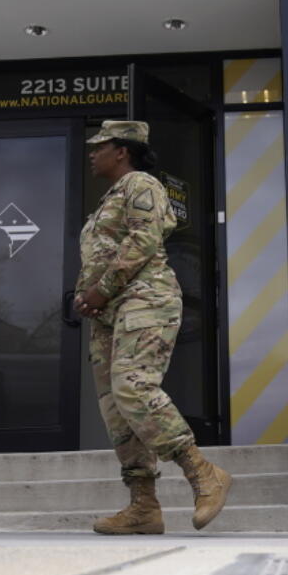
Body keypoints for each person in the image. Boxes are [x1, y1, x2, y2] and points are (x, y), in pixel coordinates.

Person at [76, 120, 231, 534]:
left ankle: (202, 472)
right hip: (111, 313)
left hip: (146, 301)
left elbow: (143, 240)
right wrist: (85, 294)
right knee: (116, 410)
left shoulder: (142, 185)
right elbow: (102, 254)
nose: (92, 153)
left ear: (122, 150)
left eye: (100, 146)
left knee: (133, 387)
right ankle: (143, 506)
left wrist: (102, 288)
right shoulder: (108, 199)